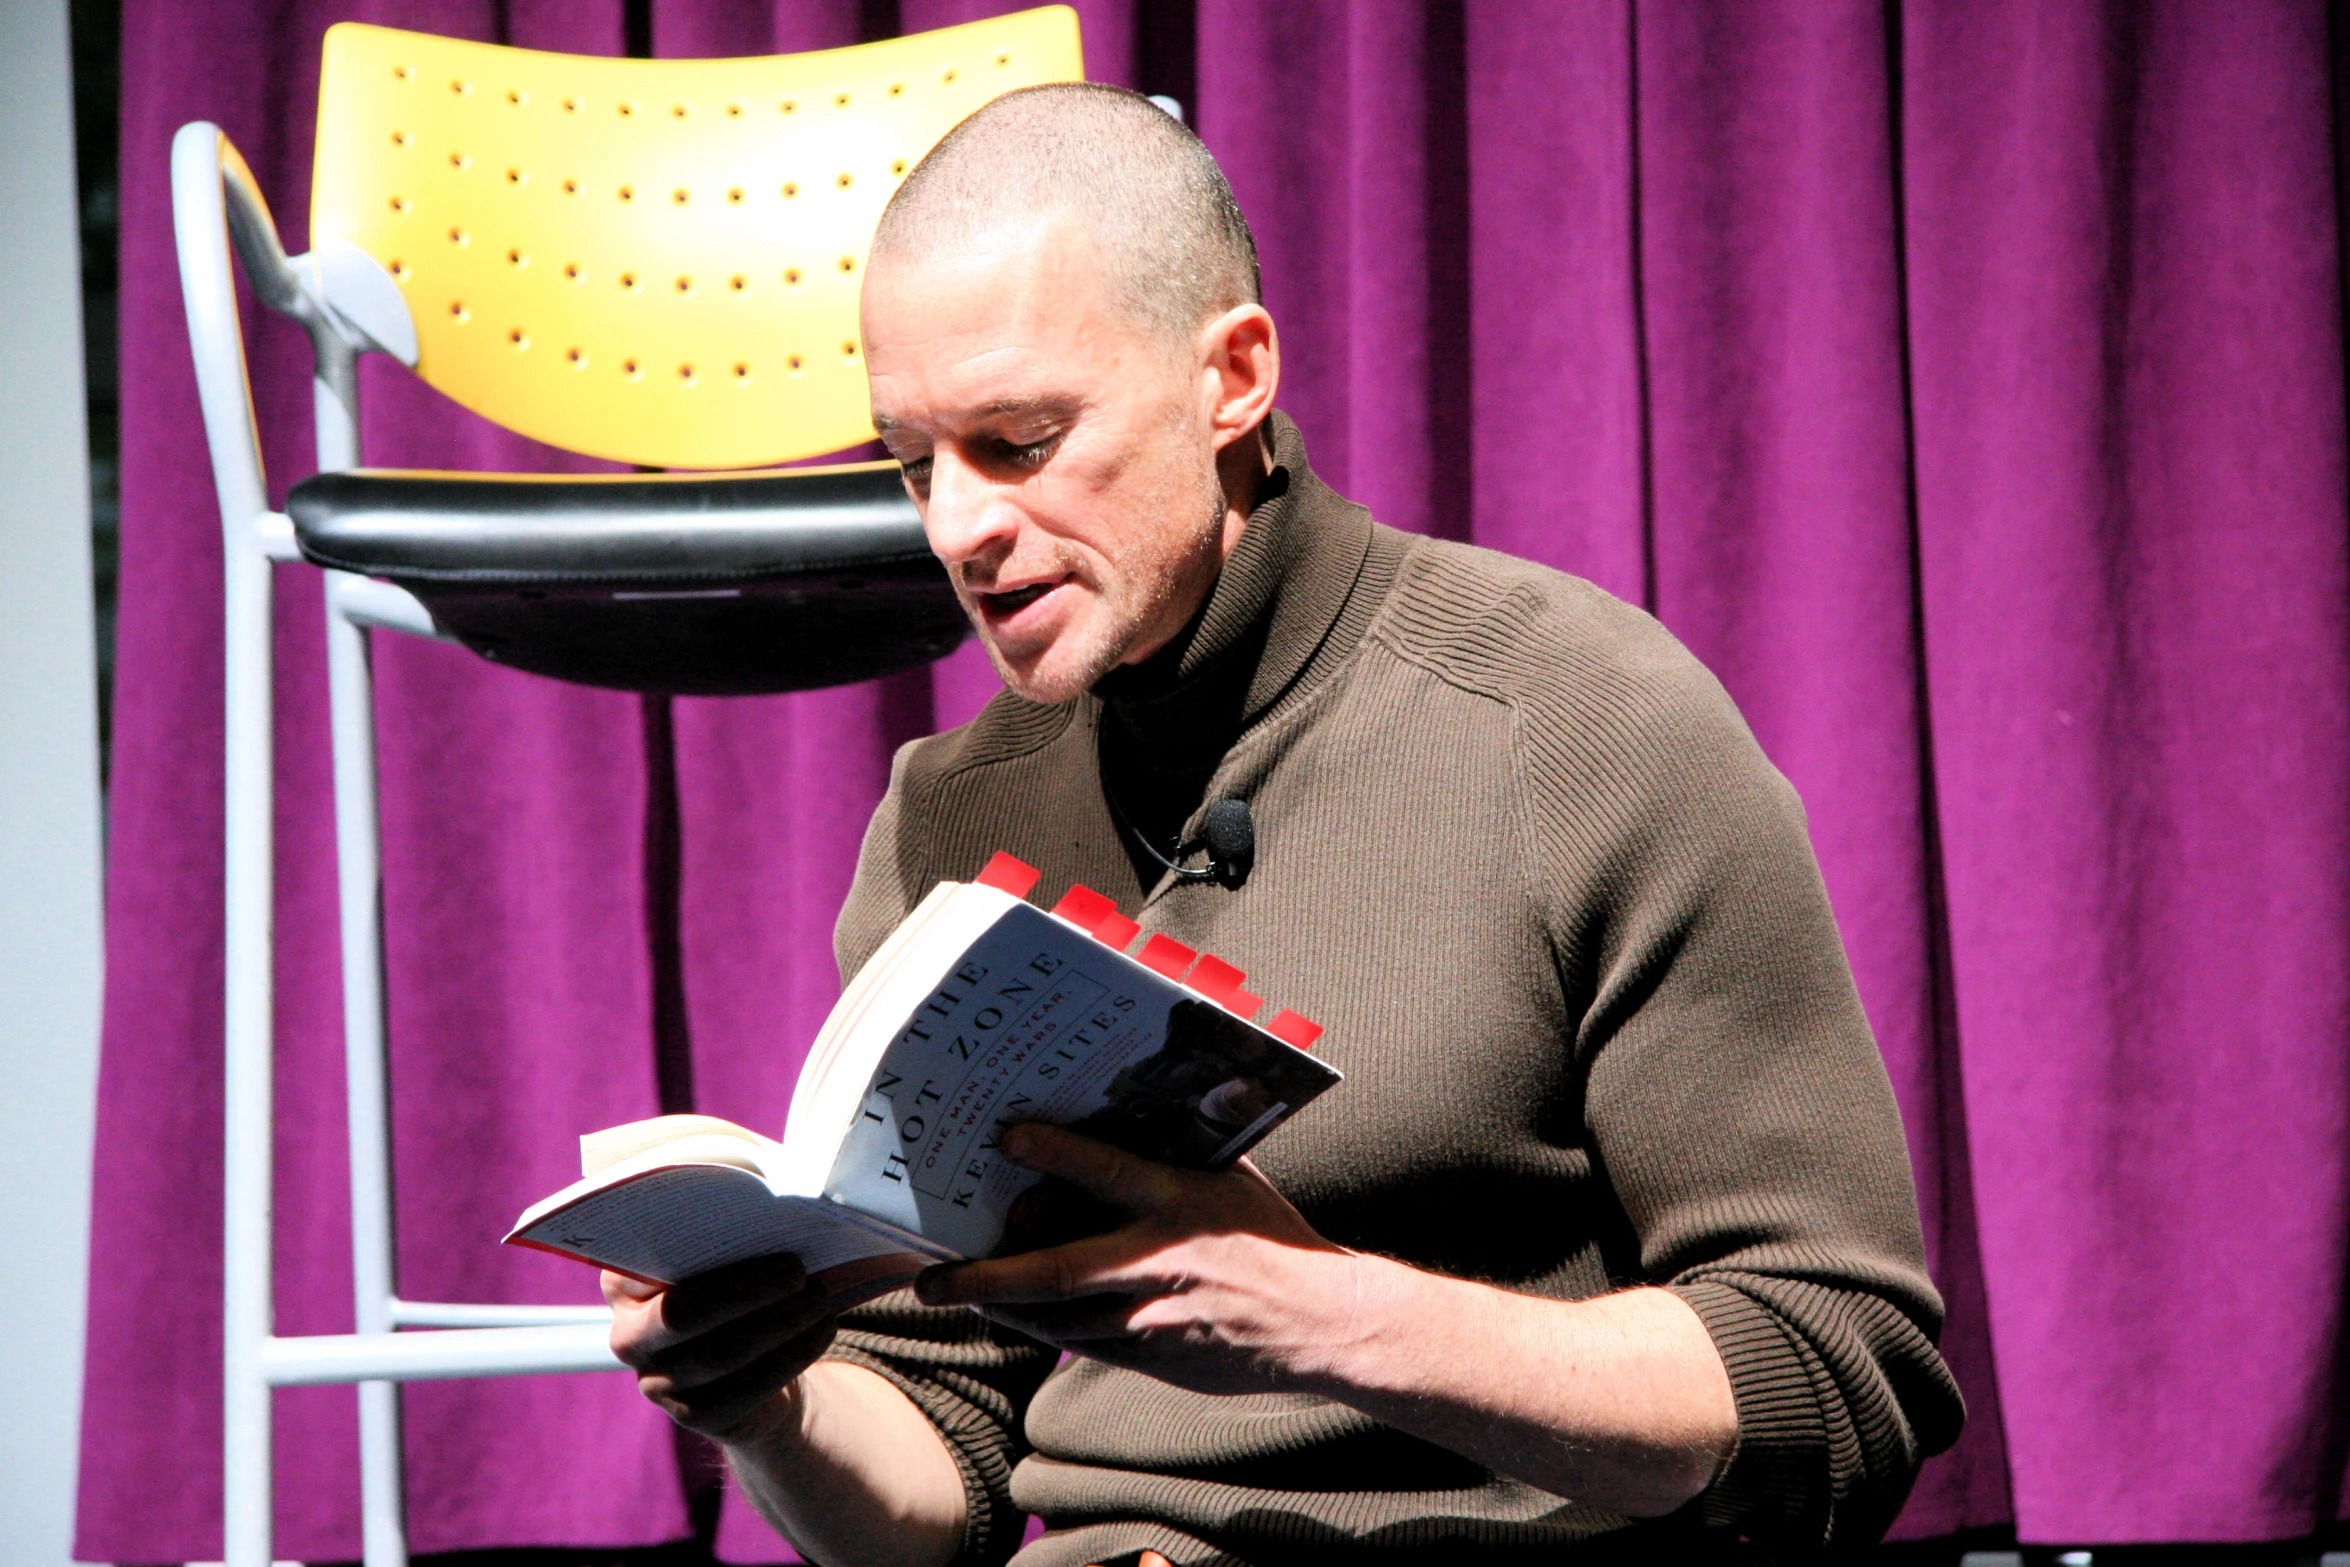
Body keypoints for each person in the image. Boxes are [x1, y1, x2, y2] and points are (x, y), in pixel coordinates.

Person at [604, 83, 1964, 1567]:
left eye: (1019, 439)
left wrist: (1324, 1314)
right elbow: (934, 1486)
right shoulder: (954, 813)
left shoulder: (1574, 721)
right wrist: (763, 1408)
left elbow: (1834, 1378)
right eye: (914, 460)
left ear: (1231, 376)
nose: (955, 527)